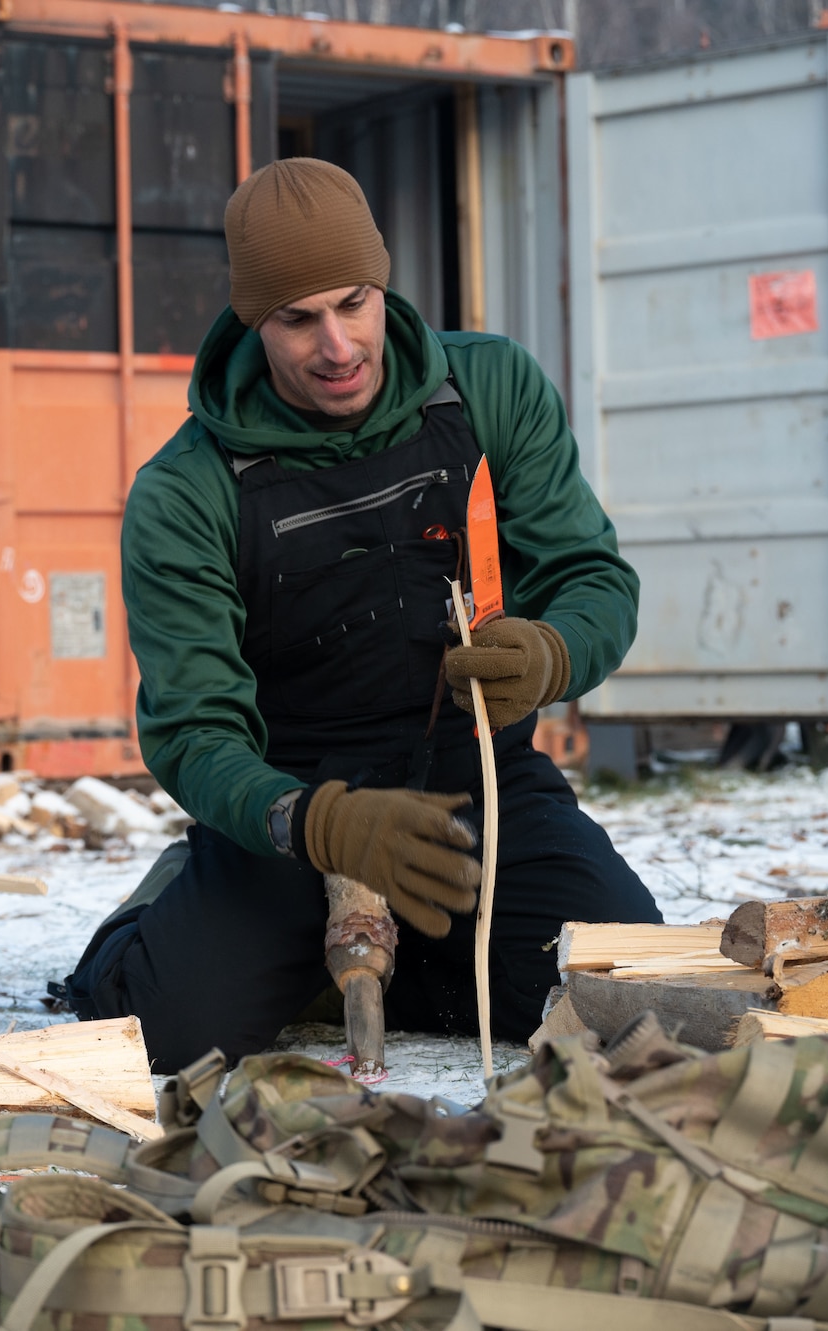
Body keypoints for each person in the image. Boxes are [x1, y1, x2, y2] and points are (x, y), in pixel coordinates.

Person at [62, 158, 662, 1072]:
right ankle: (162, 919)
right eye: (298, 320)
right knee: (167, 1038)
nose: (337, 346)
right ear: (254, 321)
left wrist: (549, 654)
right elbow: (192, 732)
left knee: (624, 991)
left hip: (481, 791)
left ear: (384, 288)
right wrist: (314, 824)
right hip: (296, 810)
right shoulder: (185, 492)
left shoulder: (491, 391)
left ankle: (394, 953)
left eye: (354, 303)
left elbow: (595, 578)